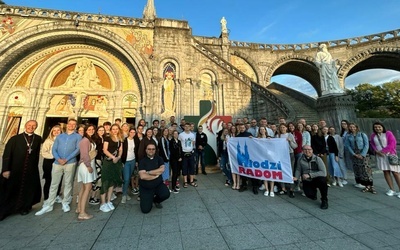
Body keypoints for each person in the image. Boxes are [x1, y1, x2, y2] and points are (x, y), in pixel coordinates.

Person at [36, 119, 81, 215]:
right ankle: (49, 204)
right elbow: (54, 149)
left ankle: (66, 202)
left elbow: (77, 149)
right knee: (54, 184)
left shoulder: (78, 137)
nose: (71, 125)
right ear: (67, 125)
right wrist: (58, 159)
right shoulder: (59, 136)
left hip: (70, 162)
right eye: (70, 124)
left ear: (75, 126)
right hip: (57, 163)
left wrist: (67, 159)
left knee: (68, 183)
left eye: (73, 124)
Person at [0, 120, 42, 220]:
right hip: (15, 169)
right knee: (10, 190)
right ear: (25, 126)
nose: (31, 127)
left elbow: (36, 155)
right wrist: (5, 169)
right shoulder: (15, 139)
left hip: (30, 170)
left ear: (36, 127)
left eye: (33, 126)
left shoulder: (37, 139)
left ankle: (24, 207)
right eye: (29, 125)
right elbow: (7, 155)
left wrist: (35, 170)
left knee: (27, 189)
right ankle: (7, 210)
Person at [370, 122, 400, 197]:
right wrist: (376, 151)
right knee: (386, 172)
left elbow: (392, 143)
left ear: (382, 127)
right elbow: (373, 144)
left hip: (390, 155)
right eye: (376, 127)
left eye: (379, 127)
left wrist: (383, 151)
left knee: (395, 173)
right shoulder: (373, 135)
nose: (377, 128)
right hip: (380, 156)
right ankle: (392, 189)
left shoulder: (388, 133)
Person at [138, 144, 170, 213]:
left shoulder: (159, 158)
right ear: (146, 150)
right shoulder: (142, 161)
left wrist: (148, 172)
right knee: (145, 210)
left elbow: (162, 169)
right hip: (146, 187)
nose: (151, 151)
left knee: (166, 194)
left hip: (158, 185)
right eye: (149, 149)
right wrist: (155, 175)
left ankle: (156, 200)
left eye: (153, 149)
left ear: (155, 150)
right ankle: (148, 198)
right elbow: (142, 176)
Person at [345, 123, 375, 193]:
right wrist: (353, 154)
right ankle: (365, 185)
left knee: (366, 169)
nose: (352, 128)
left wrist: (363, 154)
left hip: (363, 153)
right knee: (358, 169)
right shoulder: (348, 136)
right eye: (350, 127)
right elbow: (347, 146)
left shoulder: (362, 134)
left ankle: (371, 185)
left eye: (353, 127)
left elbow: (366, 144)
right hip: (354, 153)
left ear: (356, 127)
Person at [99, 124, 123, 212]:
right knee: (106, 180)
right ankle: (102, 203)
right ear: (111, 130)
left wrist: (119, 157)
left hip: (116, 162)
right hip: (108, 161)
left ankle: (108, 201)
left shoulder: (120, 139)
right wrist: (113, 158)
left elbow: (120, 150)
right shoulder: (108, 138)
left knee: (112, 182)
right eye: (113, 129)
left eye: (117, 129)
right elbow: (105, 150)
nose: (115, 130)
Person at [76, 125, 97, 220]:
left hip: (87, 165)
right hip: (86, 166)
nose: (91, 131)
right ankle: (82, 213)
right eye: (89, 129)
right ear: (85, 131)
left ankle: (79, 208)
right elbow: (84, 154)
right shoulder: (85, 140)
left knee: (83, 188)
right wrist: (88, 165)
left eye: (93, 129)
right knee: (88, 188)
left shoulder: (89, 139)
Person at [41, 125, 63, 203]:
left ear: (61, 131)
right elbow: (43, 153)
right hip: (49, 161)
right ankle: (47, 198)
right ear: (52, 132)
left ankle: (56, 195)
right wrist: (55, 156)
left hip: (60, 162)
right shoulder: (48, 141)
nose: (56, 132)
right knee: (49, 180)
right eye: (54, 130)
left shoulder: (63, 140)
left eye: (58, 130)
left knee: (59, 179)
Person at [276, 123, 298, 197]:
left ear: (286, 128)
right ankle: (283, 188)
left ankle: (291, 189)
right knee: (281, 171)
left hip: (289, 154)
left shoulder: (290, 135)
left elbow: (295, 146)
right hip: (281, 155)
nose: (282, 129)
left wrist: (290, 141)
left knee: (290, 171)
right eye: (281, 127)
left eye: (283, 127)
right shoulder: (277, 136)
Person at [89, 125, 105, 205]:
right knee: (97, 178)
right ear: (97, 131)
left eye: (103, 130)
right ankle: (92, 197)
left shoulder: (103, 138)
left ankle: (94, 196)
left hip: (101, 160)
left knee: (99, 178)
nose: (102, 131)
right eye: (100, 130)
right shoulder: (95, 139)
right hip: (96, 160)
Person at [121, 128, 137, 203]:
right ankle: (124, 195)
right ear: (129, 132)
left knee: (130, 177)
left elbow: (136, 151)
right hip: (126, 161)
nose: (132, 133)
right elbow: (121, 151)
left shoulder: (135, 140)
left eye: (134, 132)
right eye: (131, 132)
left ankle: (126, 193)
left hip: (133, 160)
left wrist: (136, 161)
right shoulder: (124, 141)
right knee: (126, 178)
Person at [257, 127, 275, 197]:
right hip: (261, 158)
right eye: (260, 129)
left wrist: (271, 140)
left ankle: (272, 190)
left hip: (270, 158)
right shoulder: (257, 138)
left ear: (265, 130)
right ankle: (267, 189)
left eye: (263, 129)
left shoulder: (269, 137)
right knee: (264, 173)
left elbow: (274, 146)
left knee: (271, 173)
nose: (262, 130)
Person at [179, 123, 197, 188]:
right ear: (184, 127)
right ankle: (185, 182)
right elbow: (179, 144)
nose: (186, 127)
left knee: (192, 167)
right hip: (184, 153)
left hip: (191, 153)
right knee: (184, 167)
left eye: (188, 126)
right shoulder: (181, 135)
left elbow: (193, 143)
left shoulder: (192, 135)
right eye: (185, 126)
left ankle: (191, 181)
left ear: (190, 127)